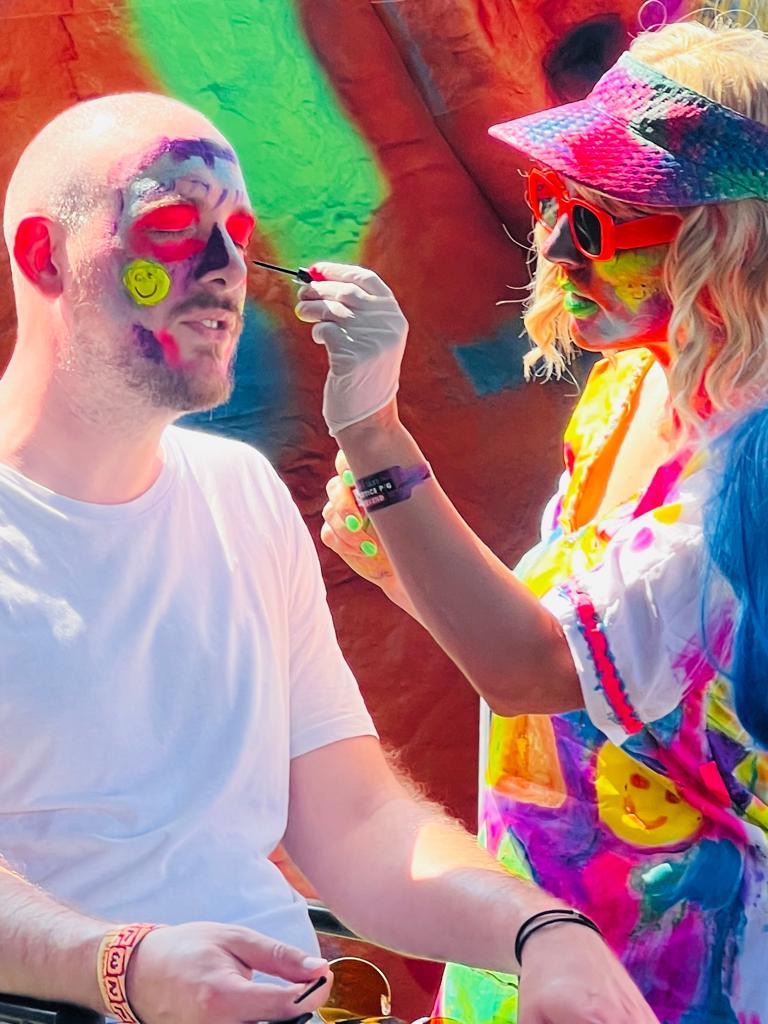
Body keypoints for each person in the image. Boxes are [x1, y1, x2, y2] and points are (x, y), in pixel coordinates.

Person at [0, 93, 656, 1024]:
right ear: (44, 257)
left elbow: (356, 823)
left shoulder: (243, 495)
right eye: (176, 227)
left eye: (238, 231)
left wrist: (545, 930)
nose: (229, 268)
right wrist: (122, 967)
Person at [299, 17, 768, 1024]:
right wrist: (400, 569)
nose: (553, 242)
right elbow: (570, 661)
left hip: (684, 978)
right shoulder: (632, 385)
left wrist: (376, 436)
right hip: (546, 949)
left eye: (597, 220)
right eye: (554, 198)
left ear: (723, 239)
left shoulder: (750, 465)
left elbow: (536, 665)